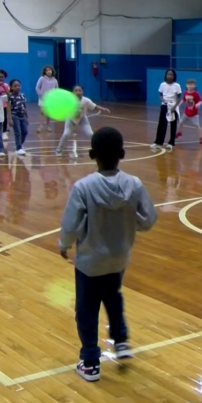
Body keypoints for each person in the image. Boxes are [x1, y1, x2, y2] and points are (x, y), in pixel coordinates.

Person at [58, 127, 158, 382]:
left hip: (90, 261)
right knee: (113, 296)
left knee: (87, 309)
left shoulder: (83, 187)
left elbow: (71, 224)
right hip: (119, 257)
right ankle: (121, 340)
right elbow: (149, 218)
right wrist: (131, 224)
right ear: (122, 154)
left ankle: (90, 361)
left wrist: (64, 244)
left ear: (92, 154)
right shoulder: (134, 184)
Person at [56, 86, 110, 158]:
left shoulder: (86, 101)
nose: (78, 92)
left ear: (82, 92)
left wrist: (103, 109)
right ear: (73, 92)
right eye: (76, 90)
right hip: (70, 119)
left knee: (90, 134)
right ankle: (59, 150)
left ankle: (98, 149)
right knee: (66, 134)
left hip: (82, 118)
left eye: (79, 90)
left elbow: (95, 107)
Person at [152, 69, 181, 150]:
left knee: (173, 125)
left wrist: (174, 107)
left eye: (171, 75)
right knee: (162, 124)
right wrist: (163, 100)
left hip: (173, 106)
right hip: (165, 106)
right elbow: (160, 95)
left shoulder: (177, 85)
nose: (170, 76)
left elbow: (179, 97)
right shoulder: (162, 85)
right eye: (168, 74)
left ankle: (171, 142)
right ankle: (158, 142)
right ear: (166, 75)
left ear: (174, 76)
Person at [176, 78, 202, 145]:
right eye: (189, 84)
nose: (190, 86)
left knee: (197, 125)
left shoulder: (195, 93)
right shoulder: (185, 92)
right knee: (180, 122)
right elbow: (183, 100)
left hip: (194, 114)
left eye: (192, 84)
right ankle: (179, 132)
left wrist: (198, 104)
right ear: (186, 85)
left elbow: (200, 101)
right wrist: (178, 105)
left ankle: (201, 138)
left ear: (194, 85)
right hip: (186, 112)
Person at [8, 79, 29, 156]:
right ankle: (18, 148)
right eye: (15, 86)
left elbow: (24, 106)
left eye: (19, 85)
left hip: (22, 115)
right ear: (11, 87)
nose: (17, 87)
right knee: (17, 132)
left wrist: (27, 117)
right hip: (14, 115)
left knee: (25, 132)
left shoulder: (22, 95)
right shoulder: (10, 96)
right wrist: (10, 119)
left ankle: (20, 144)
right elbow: (8, 108)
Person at [35, 65, 58, 133]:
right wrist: (40, 95)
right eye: (47, 70)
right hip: (43, 98)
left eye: (49, 70)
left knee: (48, 113)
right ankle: (40, 126)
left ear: (52, 71)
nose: (48, 71)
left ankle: (47, 126)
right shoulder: (42, 78)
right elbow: (37, 87)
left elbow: (56, 89)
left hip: (50, 99)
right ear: (44, 72)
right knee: (42, 112)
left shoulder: (55, 80)